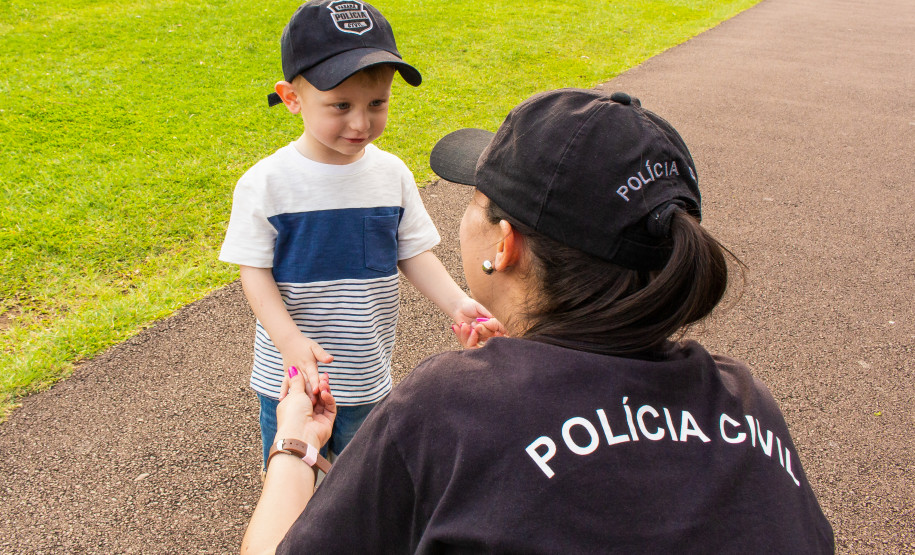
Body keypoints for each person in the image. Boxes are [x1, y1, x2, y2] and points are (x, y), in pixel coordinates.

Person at [241, 88, 835, 553]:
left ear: (504, 244)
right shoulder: (748, 402)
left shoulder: (446, 407)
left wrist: (295, 446)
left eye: (475, 198)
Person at [219, 0, 491, 467]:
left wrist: (457, 303)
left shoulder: (391, 174)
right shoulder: (266, 183)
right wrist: (289, 341)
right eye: (341, 105)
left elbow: (412, 252)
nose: (361, 123)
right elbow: (254, 272)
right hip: (294, 379)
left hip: (367, 372)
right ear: (291, 98)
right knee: (292, 474)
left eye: (377, 103)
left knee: (362, 481)